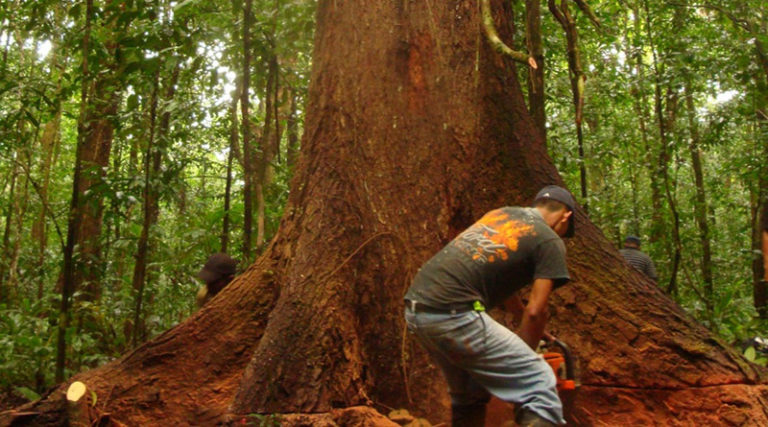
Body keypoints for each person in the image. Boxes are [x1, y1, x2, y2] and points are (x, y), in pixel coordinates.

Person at [404, 185, 576, 427]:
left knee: (469, 394)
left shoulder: (502, 214)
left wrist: (518, 316)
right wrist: (525, 356)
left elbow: (501, 277)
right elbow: (537, 312)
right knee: (538, 383)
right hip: (454, 313)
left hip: (418, 310)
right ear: (565, 216)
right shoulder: (549, 240)